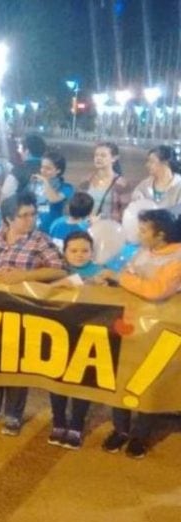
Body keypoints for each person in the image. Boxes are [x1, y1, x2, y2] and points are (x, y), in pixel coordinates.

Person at [0, 192, 67, 436]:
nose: (30, 220)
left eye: (33, 214)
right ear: (7, 220)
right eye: (23, 216)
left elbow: (59, 271)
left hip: (23, 311)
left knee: (17, 363)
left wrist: (23, 276)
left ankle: (13, 413)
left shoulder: (40, 241)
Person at [95, 209, 181, 458]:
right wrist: (112, 281)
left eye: (144, 230)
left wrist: (119, 277)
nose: (138, 234)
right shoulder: (144, 252)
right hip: (131, 326)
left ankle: (141, 435)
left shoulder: (177, 258)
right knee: (120, 376)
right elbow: (130, 277)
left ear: (160, 235)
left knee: (148, 381)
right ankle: (120, 430)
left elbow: (157, 290)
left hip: (159, 332)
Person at [47, 231, 101, 449]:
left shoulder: (101, 272)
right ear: (64, 251)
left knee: (83, 380)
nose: (79, 255)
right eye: (74, 250)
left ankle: (77, 424)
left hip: (88, 336)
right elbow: (46, 290)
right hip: (58, 334)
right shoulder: (56, 270)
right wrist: (72, 280)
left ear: (92, 252)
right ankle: (59, 421)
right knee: (56, 379)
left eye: (85, 250)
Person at [78, 142, 132, 222]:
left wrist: (103, 219)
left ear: (114, 158)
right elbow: (78, 206)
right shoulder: (86, 180)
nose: (98, 158)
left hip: (108, 229)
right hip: (86, 228)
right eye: (96, 155)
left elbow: (125, 213)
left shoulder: (122, 184)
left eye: (103, 155)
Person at [29, 149, 74, 234]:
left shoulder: (66, 187)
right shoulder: (35, 184)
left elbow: (53, 199)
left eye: (48, 168)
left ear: (58, 170)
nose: (43, 171)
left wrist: (45, 181)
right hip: (34, 230)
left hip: (53, 230)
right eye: (42, 167)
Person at [131, 145, 181, 214]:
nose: (147, 165)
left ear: (165, 163)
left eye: (151, 161)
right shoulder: (144, 185)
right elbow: (135, 201)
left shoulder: (178, 186)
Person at [1, 133, 46, 199]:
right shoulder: (51, 170)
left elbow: (6, 195)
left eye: (21, 148)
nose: (19, 151)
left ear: (27, 151)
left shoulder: (17, 171)